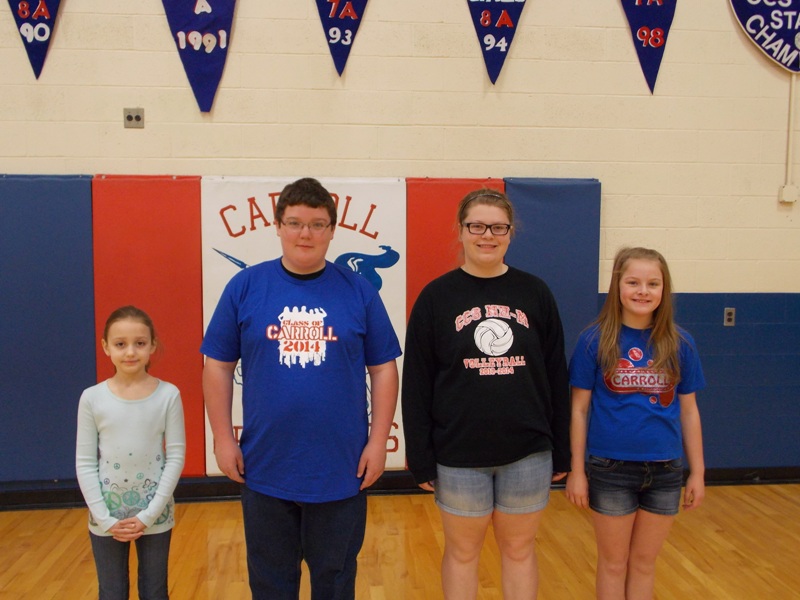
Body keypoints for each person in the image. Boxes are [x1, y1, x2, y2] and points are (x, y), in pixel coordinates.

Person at [201, 177, 401, 600]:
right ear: (278, 226)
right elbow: (217, 366)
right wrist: (221, 437)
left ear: (332, 230)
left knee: (335, 581)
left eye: (317, 224)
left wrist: (378, 440)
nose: (305, 234)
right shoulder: (245, 287)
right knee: (270, 584)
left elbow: (384, 369)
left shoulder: (359, 291)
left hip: (342, 468)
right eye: (294, 223)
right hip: (265, 466)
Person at [402, 188, 570, 599]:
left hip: (528, 452)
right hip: (458, 455)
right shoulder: (436, 297)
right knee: (462, 553)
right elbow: (417, 384)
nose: (487, 235)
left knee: (519, 550)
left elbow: (555, 375)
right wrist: (421, 456)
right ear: (461, 231)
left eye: (498, 227)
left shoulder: (535, 292)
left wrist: (562, 448)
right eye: (477, 226)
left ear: (511, 233)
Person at [566, 246, 706, 600]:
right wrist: (577, 471)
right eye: (633, 282)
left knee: (644, 563)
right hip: (610, 468)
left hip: (666, 469)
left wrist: (698, 472)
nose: (643, 291)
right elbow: (578, 410)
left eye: (653, 283)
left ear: (664, 289)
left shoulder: (680, 343)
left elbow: (689, 411)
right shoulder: (594, 340)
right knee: (613, 564)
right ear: (617, 286)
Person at [76, 305, 186, 600]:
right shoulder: (92, 398)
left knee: (155, 591)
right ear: (106, 347)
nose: (130, 352)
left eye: (139, 343)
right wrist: (104, 518)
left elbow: (175, 456)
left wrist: (150, 514)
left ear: (152, 346)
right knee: (111, 592)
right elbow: (85, 462)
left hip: (155, 514)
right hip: (106, 515)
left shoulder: (168, 395)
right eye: (120, 344)